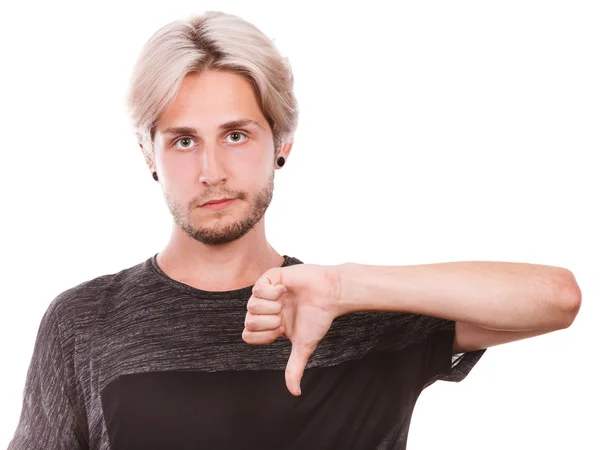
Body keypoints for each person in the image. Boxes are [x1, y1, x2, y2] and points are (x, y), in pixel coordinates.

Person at [7, 10, 582, 450]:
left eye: (236, 135)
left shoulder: (361, 312)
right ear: (147, 154)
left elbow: (556, 299)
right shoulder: (84, 323)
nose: (211, 172)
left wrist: (344, 288)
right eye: (184, 141)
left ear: (281, 142)